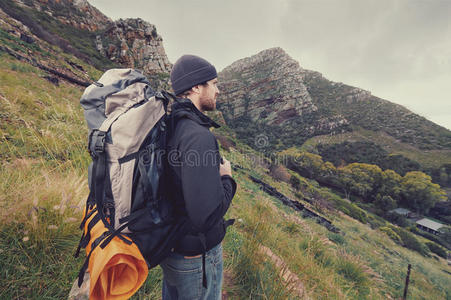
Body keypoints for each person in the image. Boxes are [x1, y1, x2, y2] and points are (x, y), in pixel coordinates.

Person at [161, 55, 237, 300]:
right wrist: (227, 179)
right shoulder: (197, 135)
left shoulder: (171, 123)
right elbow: (206, 217)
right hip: (195, 258)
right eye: (213, 83)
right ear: (195, 87)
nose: (217, 91)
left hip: (172, 247)